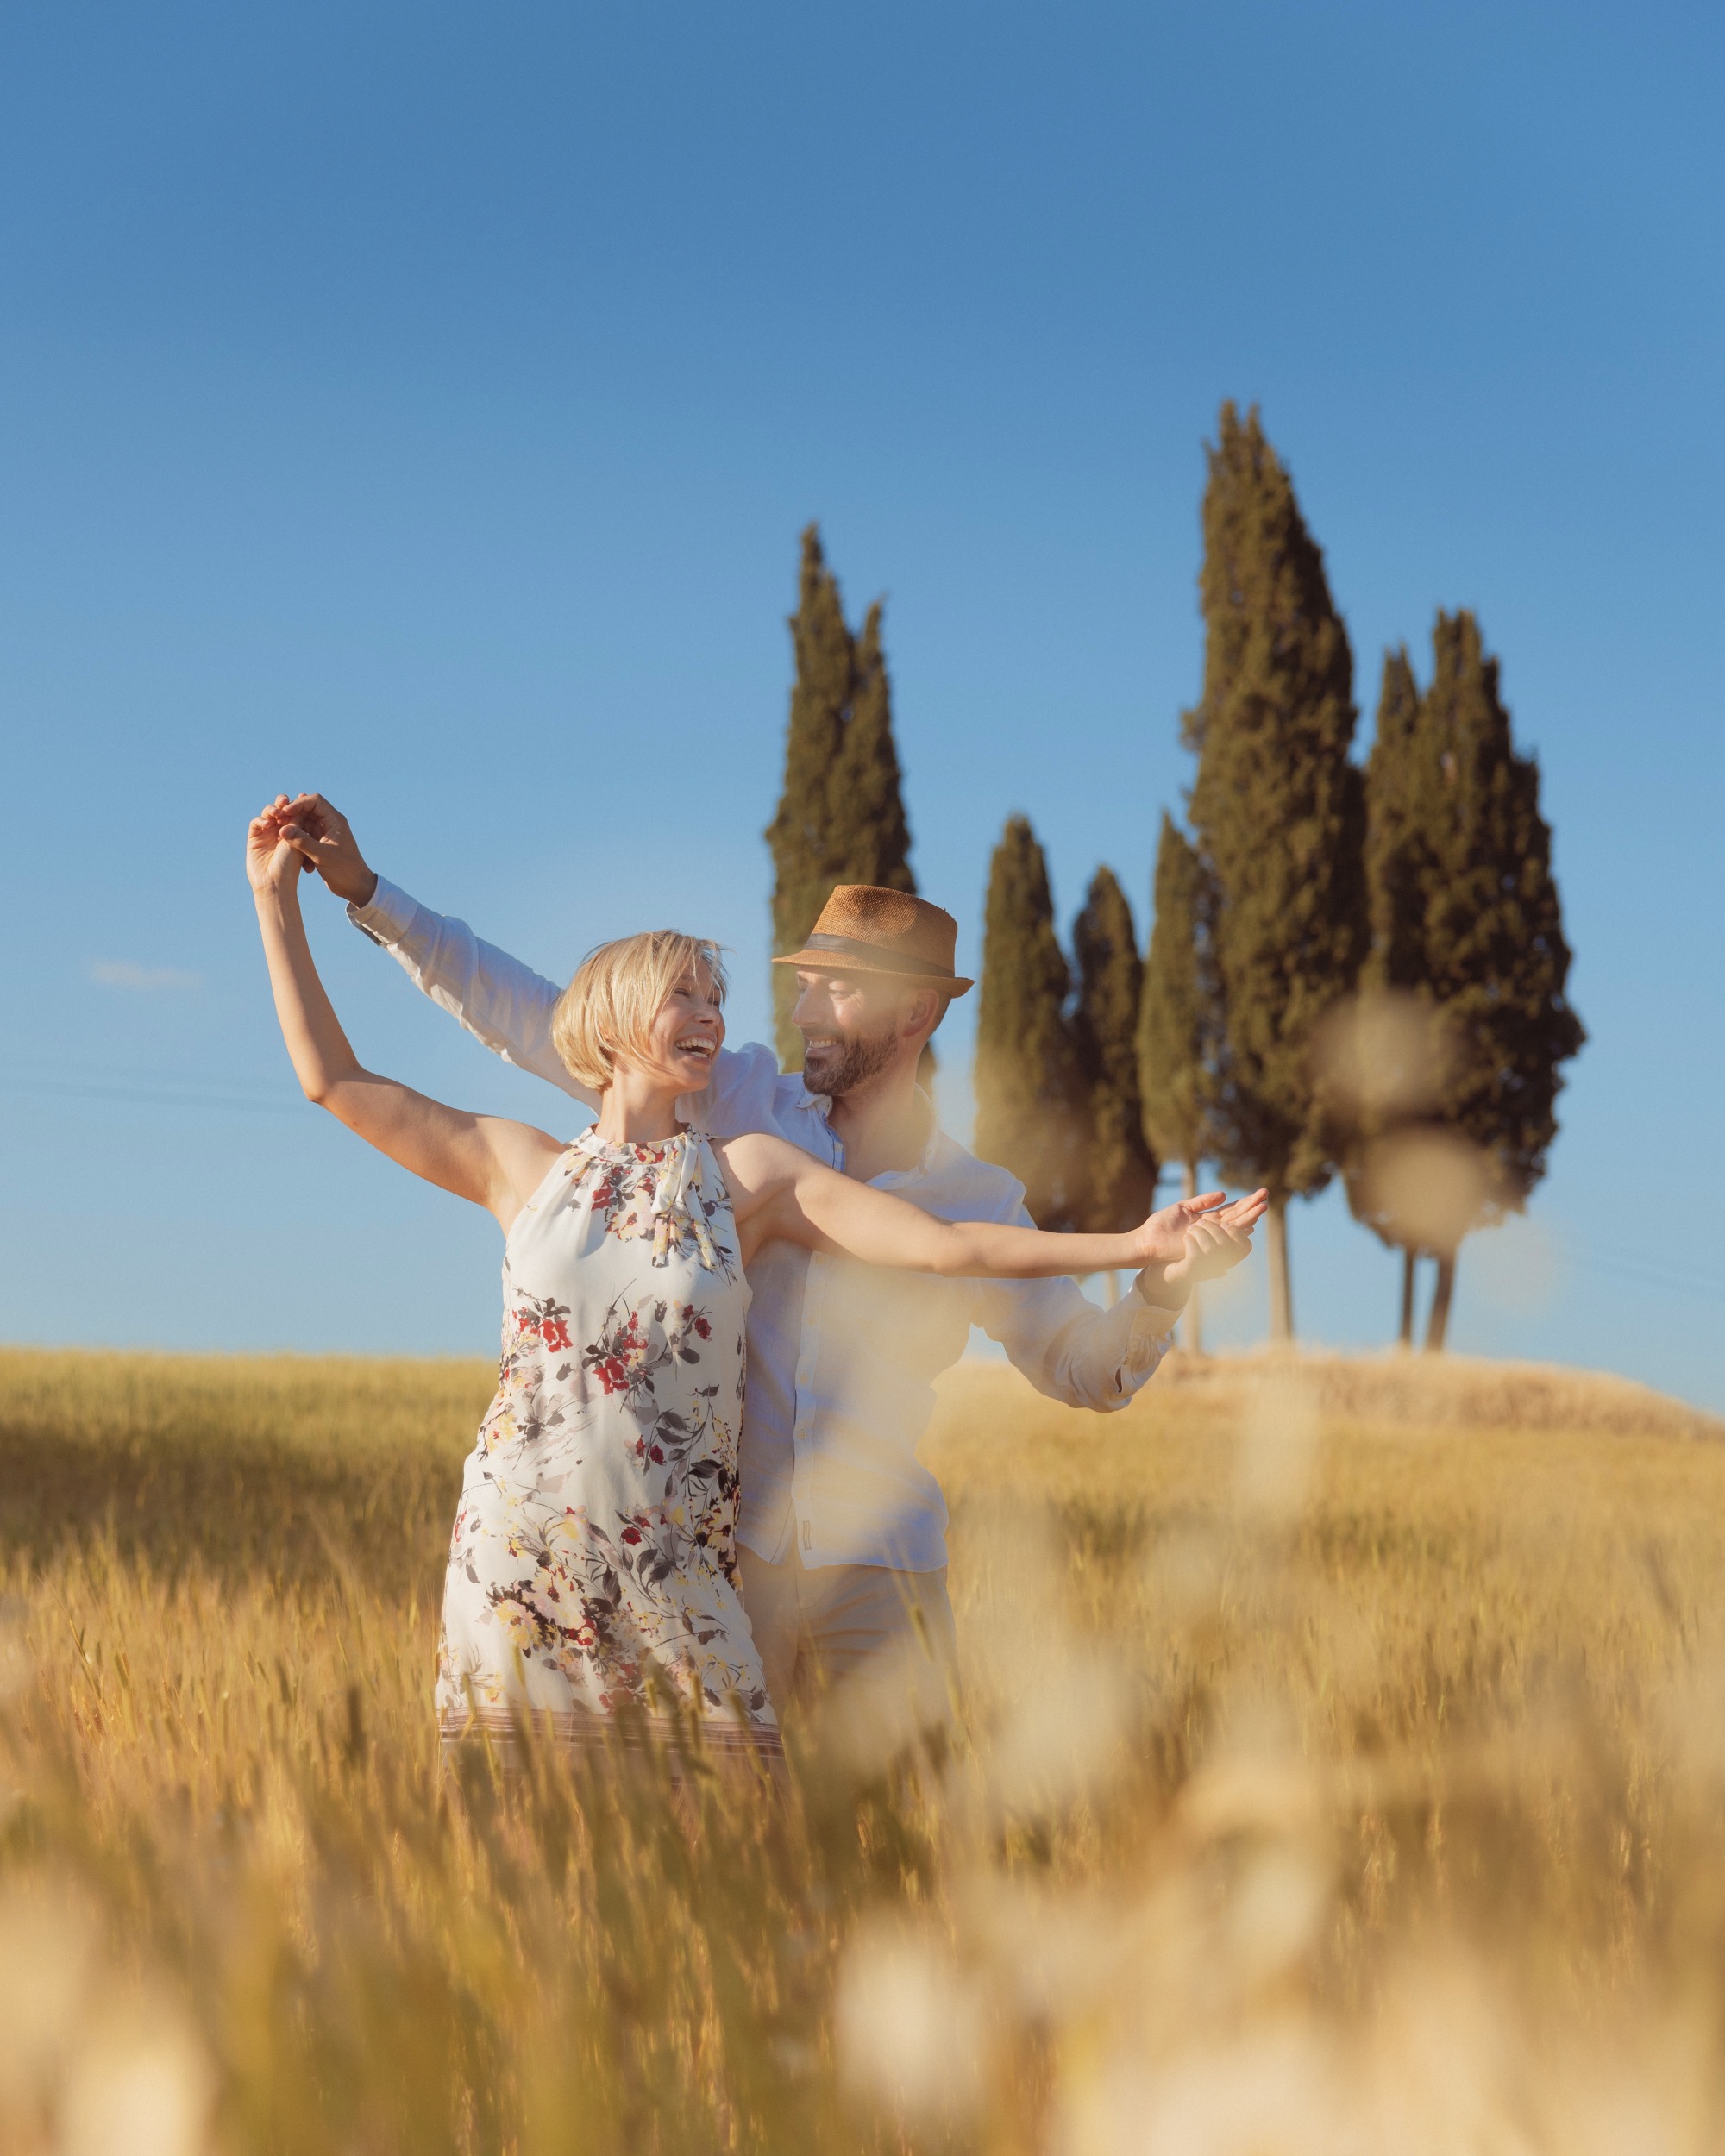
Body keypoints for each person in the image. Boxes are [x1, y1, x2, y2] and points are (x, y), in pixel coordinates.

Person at [257, 793, 1266, 1733]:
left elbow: (1084, 1365)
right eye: (801, 984)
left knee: (898, 1849)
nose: (803, 1008)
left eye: (837, 987)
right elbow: (527, 1011)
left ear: (913, 1014)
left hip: (881, 1569)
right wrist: (365, 894)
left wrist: (1153, 1277)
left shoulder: (964, 1196)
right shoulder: (728, 1107)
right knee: (736, 1854)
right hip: (716, 1565)